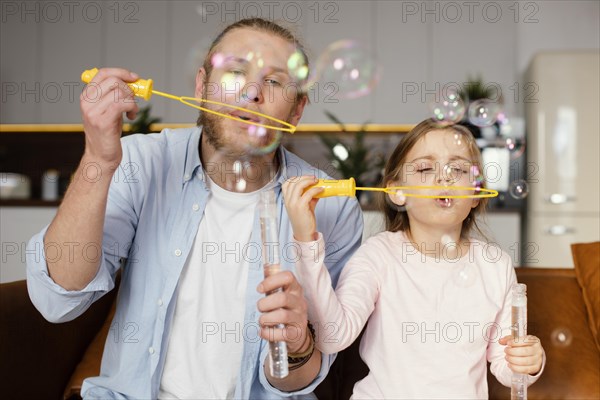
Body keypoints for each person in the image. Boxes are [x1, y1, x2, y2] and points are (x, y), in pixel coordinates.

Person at [26, 18, 363, 399]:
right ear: (202, 86)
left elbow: (299, 380)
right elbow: (58, 300)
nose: (252, 92)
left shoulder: (331, 205)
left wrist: (298, 346)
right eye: (236, 71)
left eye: (274, 81)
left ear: (298, 110)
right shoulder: (140, 163)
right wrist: (98, 160)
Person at [281, 119, 546, 398]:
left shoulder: (495, 265)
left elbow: (507, 367)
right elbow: (333, 336)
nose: (444, 178)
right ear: (397, 192)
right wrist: (305, 237)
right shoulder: (379, 255)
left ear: (476, 194)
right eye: (425, 168)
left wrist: (528, 362)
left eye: (457, 169)